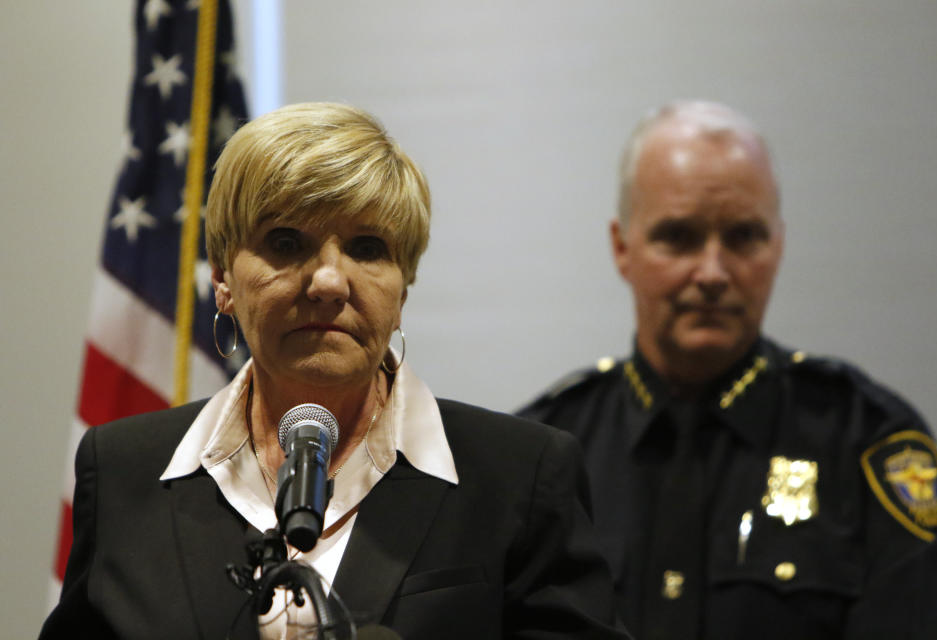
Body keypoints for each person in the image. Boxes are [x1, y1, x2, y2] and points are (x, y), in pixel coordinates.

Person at [42, 103, 630, 639]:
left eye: (368, 248)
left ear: (403, 288)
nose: (328, 281)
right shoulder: (122, 471)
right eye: (286, 241)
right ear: (222, 278)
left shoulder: (520, 478)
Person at [518, 100, 937, 640]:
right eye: (678, 236)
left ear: (778, 245)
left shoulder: (866, 443)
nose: (712, 272)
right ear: (621, 247)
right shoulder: (544, 458)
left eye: (744, 236)